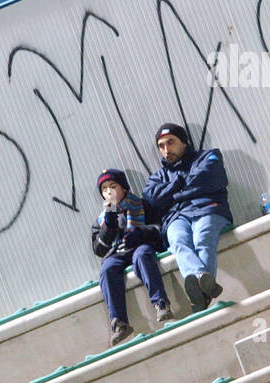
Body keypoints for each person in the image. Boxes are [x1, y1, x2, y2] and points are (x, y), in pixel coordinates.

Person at [141, 122, 233, 312]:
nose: (166, 150)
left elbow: (210, 178)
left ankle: (200, 292)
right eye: (161, 146)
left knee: (203, 237)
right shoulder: (156, 177)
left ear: (184, 142)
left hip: (207, 209)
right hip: (177, 218)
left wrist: (172, 194)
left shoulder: (208, 156)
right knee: (177, 240)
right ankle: (201, 281)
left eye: (171, 142)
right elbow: (151, 202)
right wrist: (182, 184)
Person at [91, 169, 174, 347]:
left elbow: (160, 231)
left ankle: (161, 303)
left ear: (124, 188)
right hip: (117, 253)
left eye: (113, 187)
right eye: (104, 189)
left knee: (143, 256)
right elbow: (99, 248)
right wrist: (109, 224)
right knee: (107, 269)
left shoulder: (141, 205)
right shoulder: (102, 219)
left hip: (138, 247)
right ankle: (119, 322)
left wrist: (140, 233)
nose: (109, 192)